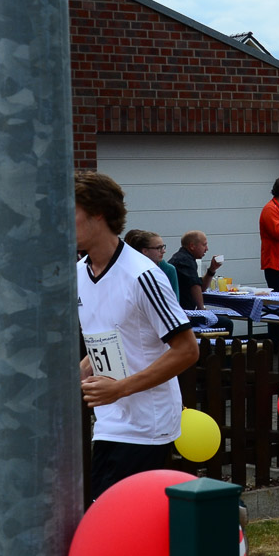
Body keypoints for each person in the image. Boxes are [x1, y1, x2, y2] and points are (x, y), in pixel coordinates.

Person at [76, 172, 199, 501]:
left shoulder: (143, 275)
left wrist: (119, 388)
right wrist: (84, 368)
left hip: (147, 423)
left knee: (112, 515)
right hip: (109, 420)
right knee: (108, 512)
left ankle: (225, 515)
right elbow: (116, 333)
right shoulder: (80, 274)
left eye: (69, 211)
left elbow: (187, 350)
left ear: (98, 214)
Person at [169, 230, 222, 312]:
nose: (207, 249)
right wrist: (202, 310)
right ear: (192, 246)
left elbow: (201, 287)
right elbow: (195, 285)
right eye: (204, 245)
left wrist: (212, 269)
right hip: (183, 313)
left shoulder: (185, 258)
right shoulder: (184, 260)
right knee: (226, 320)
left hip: (183, 311)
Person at [125, 229, 179, 299]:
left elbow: (174, 298)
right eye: (159, 248)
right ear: (145, 251)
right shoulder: (131, 270)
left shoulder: (168, 269)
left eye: (163, 247)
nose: (163, 251)